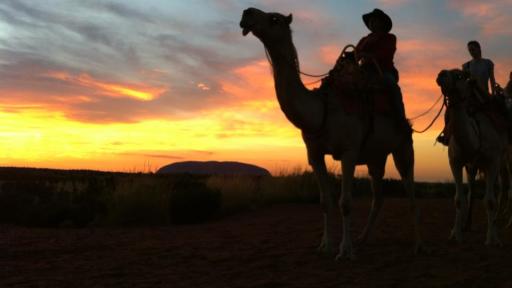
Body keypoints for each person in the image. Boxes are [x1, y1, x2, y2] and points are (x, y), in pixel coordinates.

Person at [355, 8, 408, 130]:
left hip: (382, 71)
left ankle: (401, 121)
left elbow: (387, 53)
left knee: (392, 86)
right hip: (363, 72)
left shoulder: (390, 38)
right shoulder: (363, 40)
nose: (372, 23)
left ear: (382, 23)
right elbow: (355, 53)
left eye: (375, 20)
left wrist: (369, 56)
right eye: (370, 21)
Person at [437, 41, 497, 145]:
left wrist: (494, 95)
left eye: (473, 49)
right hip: (470, 97)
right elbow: (462, 83)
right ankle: (446, 134)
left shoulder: (488, 63)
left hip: (484, 95)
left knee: (499, 111)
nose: (471, 52)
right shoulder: (466, 66)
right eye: (470, 50)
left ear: (479, 49)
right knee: (450, 111)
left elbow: (492, 80)